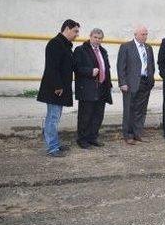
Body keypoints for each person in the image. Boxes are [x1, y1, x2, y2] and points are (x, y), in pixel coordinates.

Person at [37, 19, 80, 157]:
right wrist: (57, 86)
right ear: (67, 28)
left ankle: (54, 144)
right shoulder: (55, 43)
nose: (77, 34)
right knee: (53, 118)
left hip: (60, 88)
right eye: (75, 31)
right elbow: (52, 67)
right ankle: (52, 148)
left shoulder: (65, 45)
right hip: (55, 88)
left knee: (55, 117)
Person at [73, 28, 113, 149]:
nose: (97, 40)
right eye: (95, 37)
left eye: (100, 38)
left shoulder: (103, 51)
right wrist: (90, 71)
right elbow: (76, 67)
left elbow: (107, 69)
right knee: (85, 115)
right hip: (87, 88)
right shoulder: (80, 50)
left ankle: (93, 137)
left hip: (102, 87)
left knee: (98, 115)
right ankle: (82, 140)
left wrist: (109, 84)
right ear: (90, 36)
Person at [117, 25, 155, 145]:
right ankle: (128, 135)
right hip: (130, 84)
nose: (145, 36)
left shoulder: (148, 48)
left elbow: (151, 65)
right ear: (136, 34)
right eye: (143, 34)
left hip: (145, 82)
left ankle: (138, 133)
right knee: (129, 109)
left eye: (146, 34)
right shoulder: (126, 47)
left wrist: (151, 79)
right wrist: (122, 82)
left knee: (141, 110)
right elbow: (121, 66)